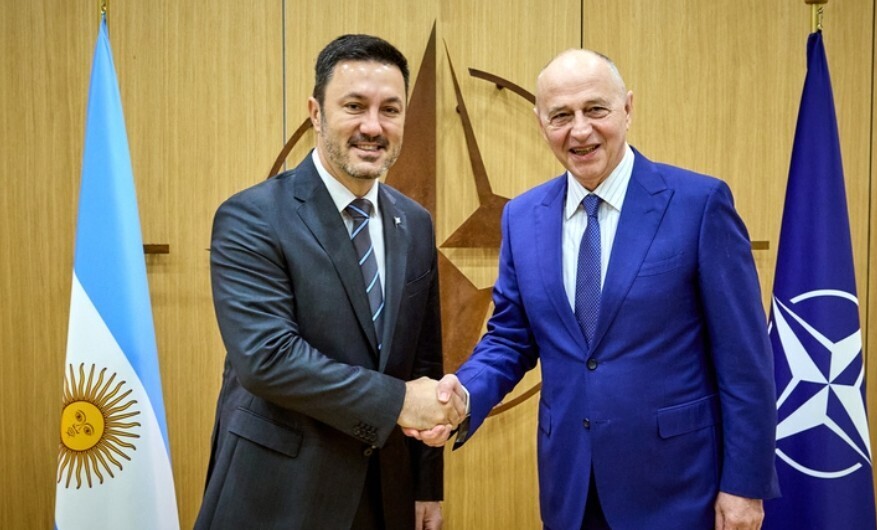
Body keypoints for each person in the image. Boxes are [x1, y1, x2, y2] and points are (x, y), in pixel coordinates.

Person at [415, 49, 780, 529]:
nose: (580, 130)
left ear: (627, 108)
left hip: (680, 489)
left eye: (596, 109)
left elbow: (744, 360)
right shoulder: (522, 217)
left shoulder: (699, 204)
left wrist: (745, 485)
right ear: (541, 123)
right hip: (570, 488)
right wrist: (464, 394)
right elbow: (510, 338)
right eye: (561, 116)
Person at [195, 34, 464, 530]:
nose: (373, 127)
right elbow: (268, 359)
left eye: (390, 110)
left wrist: (426, 485)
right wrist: (399, 403)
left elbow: (423, 360)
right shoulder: (251, 217)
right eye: (354, 106)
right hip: (279, 494)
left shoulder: (415, 222)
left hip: (386, 493)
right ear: (315, 113)